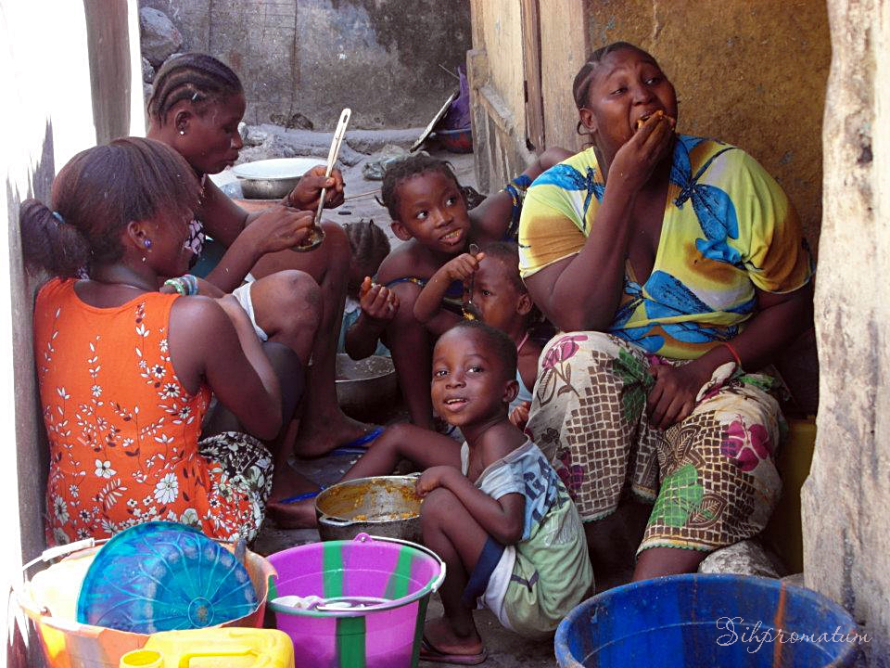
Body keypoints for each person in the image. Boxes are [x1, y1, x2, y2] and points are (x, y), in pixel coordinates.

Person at [518, 42, 814, 581]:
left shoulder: (731, 177)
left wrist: (705, 368)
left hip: (724, 376)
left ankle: (644, 592)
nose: (644, 97)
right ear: (588, 120)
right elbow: (579, 314)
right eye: (621, 90)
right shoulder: (554, 196)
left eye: (653, 81)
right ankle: (596, 556)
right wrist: (623, 186)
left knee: (736, 432)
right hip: (620, 390)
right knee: (570, 357)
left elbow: (790, 304)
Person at [23, 137, 320, 544]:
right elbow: (267, 419)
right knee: (280, 362)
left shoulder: (50, 296)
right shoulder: (196, 319)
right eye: (181, 215)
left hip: (78, 533)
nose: (191, 227)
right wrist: (231, 310)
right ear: (139, 234)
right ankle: (241, 536)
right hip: (179, 538)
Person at [146, 52, 371, 458]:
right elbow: (163, 308)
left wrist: (294, 202)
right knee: (294, 297)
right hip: (163, 332)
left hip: (195, 305)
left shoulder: (183, 171)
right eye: (227, 129)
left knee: (328, 239)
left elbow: (236, 227)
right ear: (183, 122)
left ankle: (321, 418)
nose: (238, 143)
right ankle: (271, 467)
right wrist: (255, 243)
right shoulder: (149, 183)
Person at [335, 322, 591, 662]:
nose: (454, 380)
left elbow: (508, 525)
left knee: (440, 505)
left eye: (474, 369)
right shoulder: (485, 437)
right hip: (563, 597)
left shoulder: (497, 440)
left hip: (543, 602)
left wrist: (447, 477)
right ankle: (465, 607)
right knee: (454, 499)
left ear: (508, 391)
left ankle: (459, 632)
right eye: (441, 371)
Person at [348, 150, 571, 430]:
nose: (443, 218)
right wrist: (371, 319)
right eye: (422, 214)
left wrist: (600, 179)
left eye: (451, 201)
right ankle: (424, 427)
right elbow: (356, 350)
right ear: (402, 230)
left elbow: (546, 160)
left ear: (464, 197)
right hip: (451, 350)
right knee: (403, 300)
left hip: (521, 334)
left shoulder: (492, 221)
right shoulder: (401, 266)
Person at [413, 241, 543, 429]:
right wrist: (446, 274)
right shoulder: (465, 337)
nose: (472, 301)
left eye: (485, 293)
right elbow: (424, 314)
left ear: (522, 304)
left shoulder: (532, 365)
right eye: (467, 291)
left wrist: (521, 423)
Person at [338, 220, 392, 357]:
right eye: (350, 285)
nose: (360, 291)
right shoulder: (330, 302)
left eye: (370, 282)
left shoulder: (387, 301)